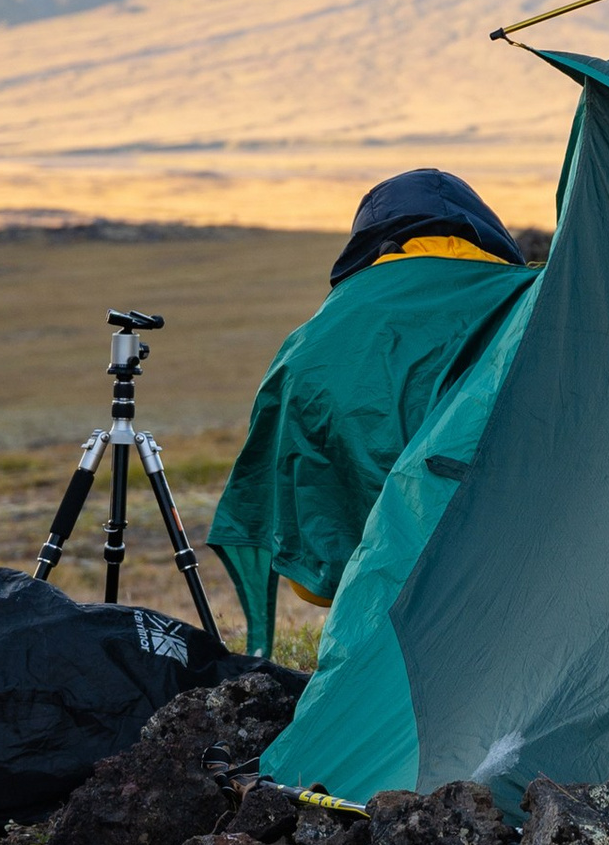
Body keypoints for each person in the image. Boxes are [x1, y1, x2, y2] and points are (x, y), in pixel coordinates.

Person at [207, 169, 539, 655]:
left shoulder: (317, 335)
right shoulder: (532, 298)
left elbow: (309, 560)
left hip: (375, 611)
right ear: (482, 227)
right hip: (517, 569)